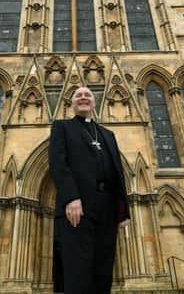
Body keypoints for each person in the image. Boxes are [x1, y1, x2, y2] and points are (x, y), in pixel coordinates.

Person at [49, 86, 130, 294]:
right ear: (72, 103)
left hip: (107, 207)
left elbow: (117, 172)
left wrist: (122, 212)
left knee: (103, 270)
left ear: (94, 103)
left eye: (88, 95)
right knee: (78, 270)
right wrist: (71, 198)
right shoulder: (62, 127)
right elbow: (58, 163)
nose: (83, 98)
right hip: (78, 206)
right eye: (79, 96)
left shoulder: (107, 134)